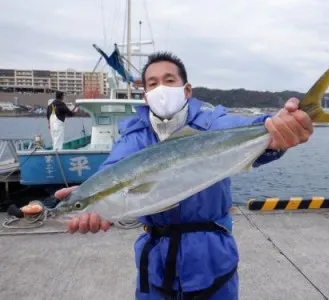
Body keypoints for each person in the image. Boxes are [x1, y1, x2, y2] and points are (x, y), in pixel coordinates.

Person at [54, 52, 313, 299]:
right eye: (153, 84)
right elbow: (114, 169)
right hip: (155, 266)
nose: (161, 89)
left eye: (169, 80)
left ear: (186, 90)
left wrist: (279, 126)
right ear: (145, 96)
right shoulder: (135, 136)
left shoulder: (212, 125)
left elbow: (254, 130)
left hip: (213, 261)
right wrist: (84, 198)